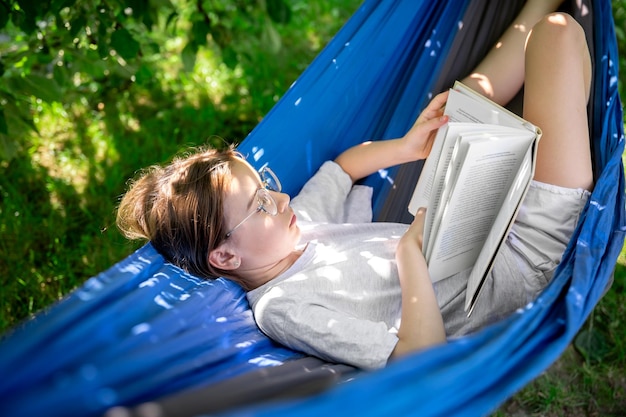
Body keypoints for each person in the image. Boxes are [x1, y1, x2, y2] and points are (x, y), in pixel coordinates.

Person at [116, 2, 593, 370]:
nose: (280, 198)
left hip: (485, 219)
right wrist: (409, 257)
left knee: (465, 97)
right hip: (517, 265)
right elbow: (415, 358)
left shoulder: (298, 231)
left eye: (267, 186)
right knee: (560, 34)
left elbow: (344, 167)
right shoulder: (283, 307)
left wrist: (410, 146)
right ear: (224, 256)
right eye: (259, 204)